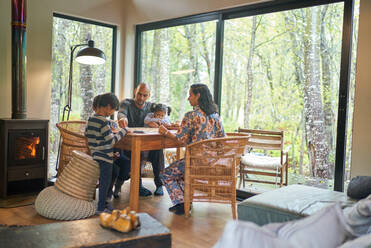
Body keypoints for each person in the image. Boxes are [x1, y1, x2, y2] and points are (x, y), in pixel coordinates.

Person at [159, 83, 225, 215]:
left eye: (190, 95)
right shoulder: (216, 116)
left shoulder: (191, 115)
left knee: (165, 174)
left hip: (195, 162)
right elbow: (222, 139)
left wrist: (165, 132)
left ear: (198, 96)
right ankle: (185, 202)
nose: (188, 98)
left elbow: (180, 139)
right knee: (180, 172)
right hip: (211, 163)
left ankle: (181, 203)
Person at [116, 83, 165, 197]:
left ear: (149, 95)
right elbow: (121, 112)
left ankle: (159, 185)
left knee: (158, 151)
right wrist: (122, 118)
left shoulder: (151, 107)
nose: (141, 98)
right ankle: (137, 186)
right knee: (136, 152)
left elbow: (162, 114)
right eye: (139, 94)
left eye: (145, 95)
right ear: (135, 92)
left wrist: (158, 122)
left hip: (148, 144)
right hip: (130, 144)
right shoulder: (126, 103)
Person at [85, 92, 128, 214]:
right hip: (104, 157)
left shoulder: (91, 119)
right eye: (113, 110)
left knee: (114, 172)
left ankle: (105, 201)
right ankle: (101, 208)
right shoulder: (103, 122)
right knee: (105, 181)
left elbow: (89, 135)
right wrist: (124, 131)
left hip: (96, 154)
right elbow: (112, 141)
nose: (112, 113)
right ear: (108, 107)